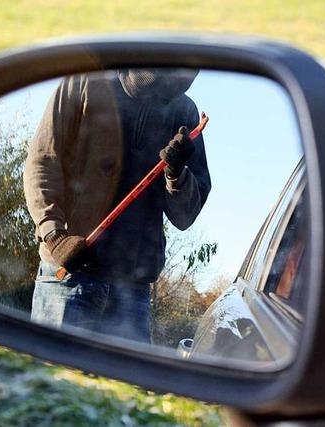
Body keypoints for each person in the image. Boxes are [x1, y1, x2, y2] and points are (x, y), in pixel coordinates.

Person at [23, 68, 211, 343]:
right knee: (51, 381)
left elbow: (185, 216)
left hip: (132, 292)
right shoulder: (85, 81)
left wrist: (176, 173)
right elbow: (42, 161)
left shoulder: (184, 112)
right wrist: (54, 235)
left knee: (124, 387)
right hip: (67, 275)